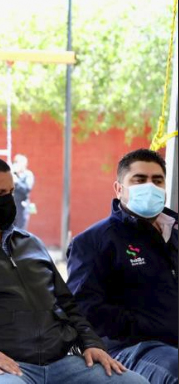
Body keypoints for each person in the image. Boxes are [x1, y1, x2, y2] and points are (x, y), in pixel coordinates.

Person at [0, 155, 146, 384]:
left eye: (10, 192)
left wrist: (91, 343)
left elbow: (68, 304)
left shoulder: (30, 243)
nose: (8, 201)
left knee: (134, 381)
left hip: (59, 363)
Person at [67, 149, 178, 384]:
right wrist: (148, 325)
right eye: (139, 180)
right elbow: (84, 308)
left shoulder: (174, 234)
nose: (150, 186)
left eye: (157, 180)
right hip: (132, 349)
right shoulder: (94, 241)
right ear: (119, 189)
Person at [12, 154, 35, 230]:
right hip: (10, 207)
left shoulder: (28, 174)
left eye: (18, 163)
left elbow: (27, 189)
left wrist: (16, 181)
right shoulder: (11, 174)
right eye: (15, 162)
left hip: (21, 208)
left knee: (20, 231)